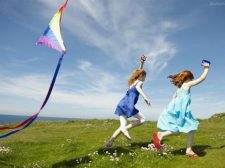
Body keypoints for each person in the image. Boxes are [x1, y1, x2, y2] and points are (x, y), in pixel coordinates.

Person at [152, 60, 210, 157]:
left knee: (178, 130)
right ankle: (187, 149)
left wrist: (169, 111)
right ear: (188, 78)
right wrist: (206, 68)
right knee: (191, 126)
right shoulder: (187, 85)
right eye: (191, 79)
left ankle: (187, 149)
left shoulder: (178, 89)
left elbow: (173, 99)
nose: (192, 81)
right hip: (182, 112)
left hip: (174, 110)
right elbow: (201, 79)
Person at [105, 55, 150, 148]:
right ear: (142, 76)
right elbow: (138, 87)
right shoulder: (140, 82)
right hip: (128, 105)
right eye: (145, 76)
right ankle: (125, 129)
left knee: (122, 125)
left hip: (121, 104)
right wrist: (145, 97)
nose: (145, 78)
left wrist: (142, 62)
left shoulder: (133, 81)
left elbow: (139, 70)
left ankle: (109, 143)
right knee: (142, 119)